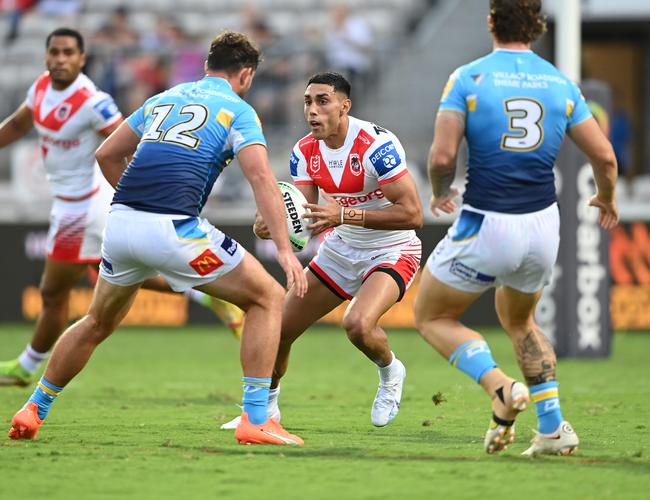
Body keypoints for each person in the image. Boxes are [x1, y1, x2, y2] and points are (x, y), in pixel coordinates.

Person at [8, 30, 308, 446]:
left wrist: (135, 203)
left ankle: (34, 409)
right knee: (267, 299)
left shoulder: (163, 98)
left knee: (96, 322)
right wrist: (284, 251)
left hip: (121, 224)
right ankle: (256, 418)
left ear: (207, 66)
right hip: (175, 228)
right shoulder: (238, 110)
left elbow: (107, 154)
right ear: (246, 75)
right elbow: (261, 179)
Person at [413, 0, 618, 456]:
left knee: (432, 316)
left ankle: (500, 388)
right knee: (521, 321)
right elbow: (604, 156)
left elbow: (443, 157)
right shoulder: (560, 82)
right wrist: (605, 197)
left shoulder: (468, 77)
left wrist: (439, 191)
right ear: (538, 27)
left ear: (491, 22)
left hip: (487, 220)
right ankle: (552, 427)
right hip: (543, 225)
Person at [0, 28, 244, 389]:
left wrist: (147, 192)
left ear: (82, 59)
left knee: (57, 292)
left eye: (69, 53)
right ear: (46, 55)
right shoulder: (40, 89)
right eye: (55, 52)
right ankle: (203, 294)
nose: (60, 59)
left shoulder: (91, 100)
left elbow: (127, 141)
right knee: (106, 278)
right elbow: (20, 124)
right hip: (69, 205)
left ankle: (26, 366)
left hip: (85, 208)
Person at [222, 72, 423, 430]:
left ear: (345, 106)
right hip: (341, 249)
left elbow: (413, 214)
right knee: (278, 328)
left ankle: (391, 371)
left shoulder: (376, 146)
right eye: (307, 102)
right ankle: (264, 413)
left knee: (358, 325)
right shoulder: (304, 151)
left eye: (322, 101)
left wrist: (344, 214)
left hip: (392, 249)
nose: (312, 110)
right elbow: (303, 215)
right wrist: (269, 224)